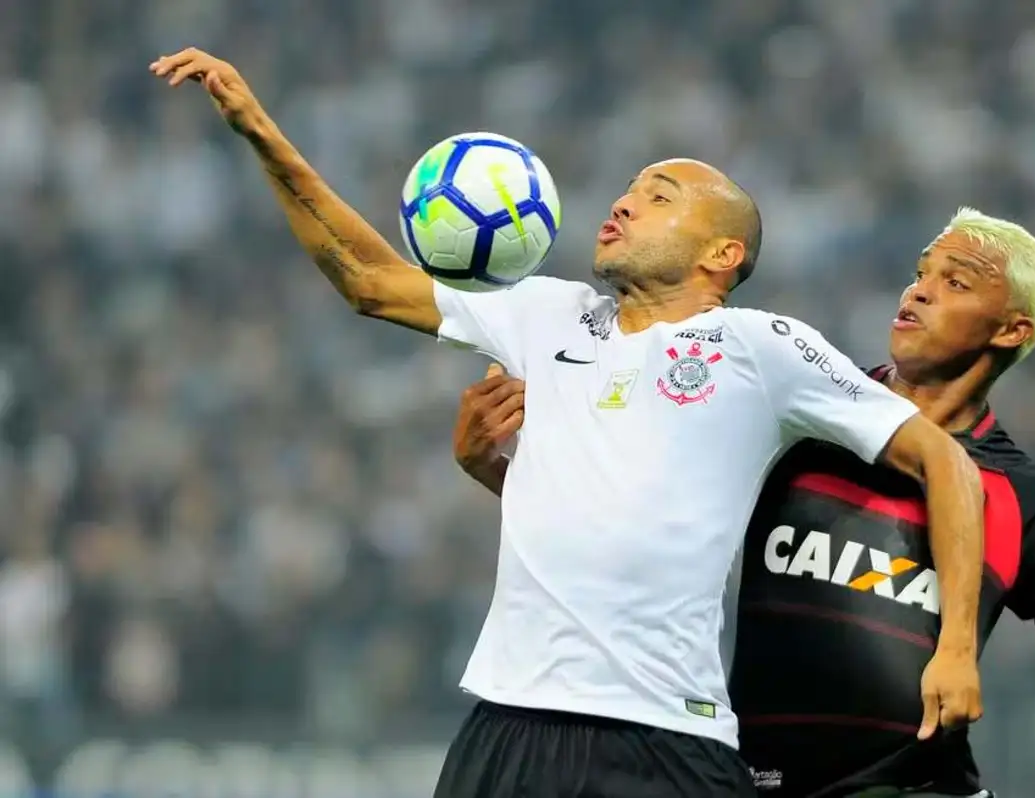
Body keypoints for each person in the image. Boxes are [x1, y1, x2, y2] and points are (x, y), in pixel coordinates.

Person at [151, 48, 988, 798]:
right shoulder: (545, 315)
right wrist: (258, 130)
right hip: (511, 722)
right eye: (625, 192)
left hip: (667, 735)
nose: (621, 206)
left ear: (721, 255)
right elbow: (369, 281)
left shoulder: (758, 346)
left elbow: (946, 463)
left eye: (657, 197)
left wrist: (954, 647)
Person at [452, 208, 1035, 797]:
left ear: (1009, 331)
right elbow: (630, 524)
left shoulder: (1031, 503)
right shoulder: (793, 418)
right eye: (920, 273)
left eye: (955, 282)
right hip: (746, 781)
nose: (918, 292)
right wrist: (494, 468)